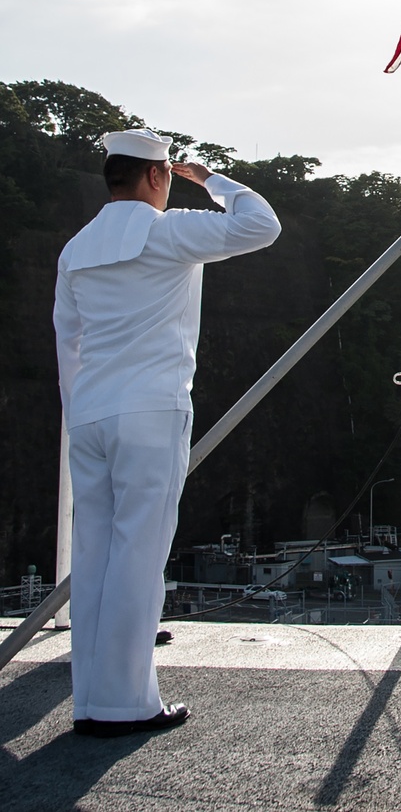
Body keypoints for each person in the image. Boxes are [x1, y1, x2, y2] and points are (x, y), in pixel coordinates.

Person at [54, 128, 282, 737]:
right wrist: (209, 179)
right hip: (150, 412)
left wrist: (79, 410)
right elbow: (261, 225)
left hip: (90, 414)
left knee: (95, 554)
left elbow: (68, 340)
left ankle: (90, 700)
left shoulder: (76, 248)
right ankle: (125, 703)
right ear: (156, 176)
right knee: (139, 552)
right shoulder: (168, 231)